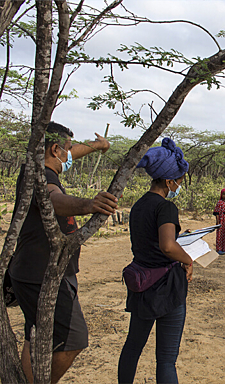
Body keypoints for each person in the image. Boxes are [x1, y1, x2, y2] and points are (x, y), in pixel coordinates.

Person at [9, 121, 118, 384]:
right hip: (43, 273)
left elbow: (69, 154)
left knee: (33, 336)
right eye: (67, 149)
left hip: (32, 270)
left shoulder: (34, 169)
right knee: (73, 339)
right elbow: (53, 199)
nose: (71, 155)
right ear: (55, 149)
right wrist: (89, 204)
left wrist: (97, 146)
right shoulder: (42, 178)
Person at [118, 138, 193, 384]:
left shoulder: (139, 206)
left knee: (132, 348)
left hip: (141, 285)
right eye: (180, 180)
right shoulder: (166, 208)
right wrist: (188, 259)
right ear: (169, 181)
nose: (180, 185)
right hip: (167, 288)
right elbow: (168, 246)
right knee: (166, 359)